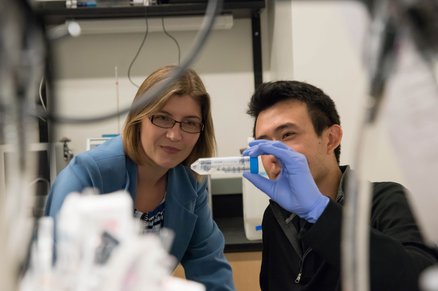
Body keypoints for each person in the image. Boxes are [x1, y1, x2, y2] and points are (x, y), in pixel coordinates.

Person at [45, 65, 235, 291]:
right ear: (139, 118)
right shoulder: (87, 175)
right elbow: (57, 271)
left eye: (190, 123)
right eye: (162, 118)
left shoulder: (191, 187)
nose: (175, 135)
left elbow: (210, 269)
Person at [242, 80, 438, 291]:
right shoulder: (275, 217)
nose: (273, 155)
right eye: (263, 143)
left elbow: (419, 282)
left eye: (288, 135)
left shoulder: (388, 201)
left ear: (330, 139)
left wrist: (319, 211)